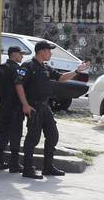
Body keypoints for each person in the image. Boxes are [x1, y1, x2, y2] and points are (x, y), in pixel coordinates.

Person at [15, 41, 89, 180]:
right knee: (33, 138)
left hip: (45, 106)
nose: (50, 53)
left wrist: (77, 71)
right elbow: (18, 84)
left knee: (53, 135)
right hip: (33, 106)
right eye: (49, 51)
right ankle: (27, 169)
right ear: (41, 51)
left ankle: (48, 167)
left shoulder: (46, 67)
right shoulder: (28, 66)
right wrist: (25, 104)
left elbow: (61, 78)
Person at [0, 46, 26, 172]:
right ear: (13, 54)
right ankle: (14, 163)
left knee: (3, 133)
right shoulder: (18, 70)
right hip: (15, 106)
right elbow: (22, 86)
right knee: (15, 134)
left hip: (4, 105)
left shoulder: (1, 68)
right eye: (20, 54)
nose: (22, 56)